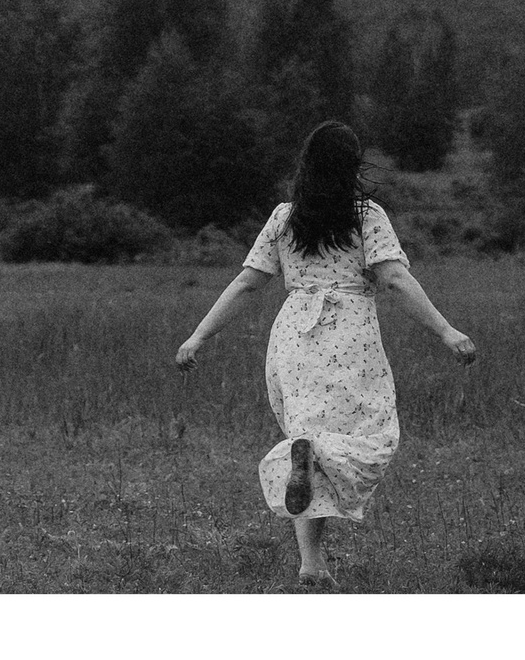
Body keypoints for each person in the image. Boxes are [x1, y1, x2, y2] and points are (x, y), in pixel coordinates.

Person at [176, 120, 477, 588]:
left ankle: (311, 563)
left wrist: (197, 337)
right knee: (372, 433)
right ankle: (311, 474)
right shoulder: (366, 215)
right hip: (350, 333)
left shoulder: (283, 217)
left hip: (294, 336)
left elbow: (247, 283)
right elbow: (395, 278)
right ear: (353, 167)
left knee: (307, 435)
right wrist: (446, 330)